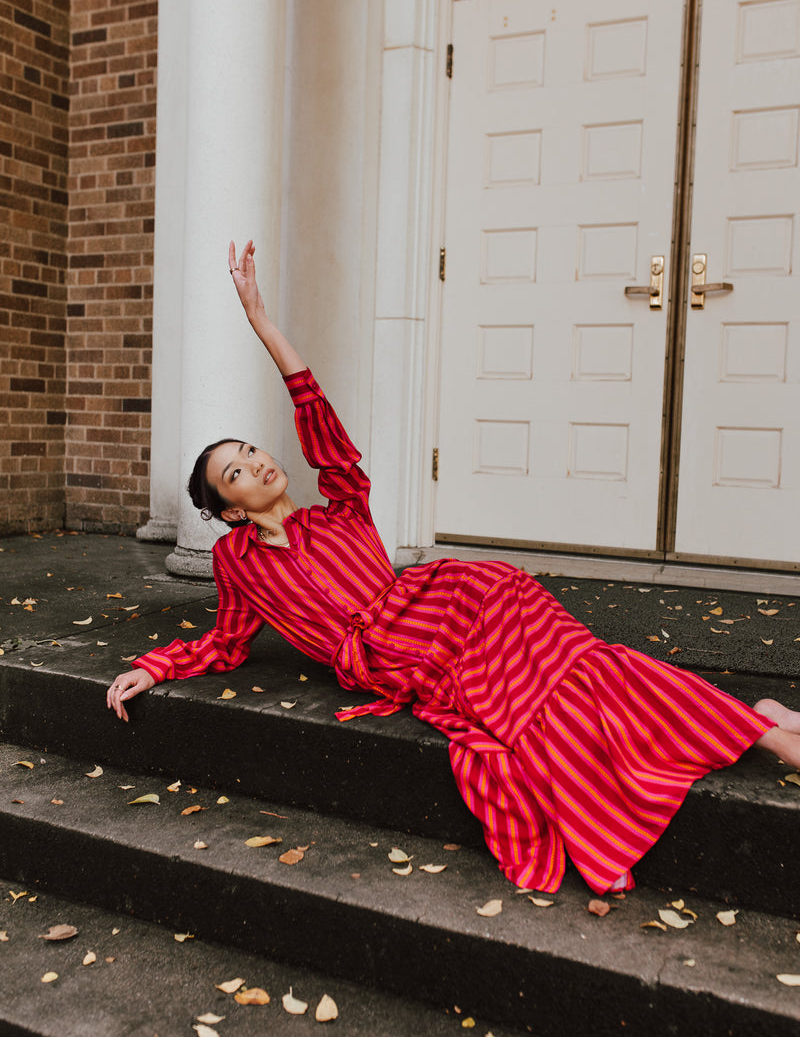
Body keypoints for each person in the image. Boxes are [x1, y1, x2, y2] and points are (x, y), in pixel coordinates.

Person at [107, 239, 800, 897]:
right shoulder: (239, 561)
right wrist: (157, 667)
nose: (257, 461)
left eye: (251, 449)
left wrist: (262, 323)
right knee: (537, 709)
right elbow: (226, 643)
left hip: (463, 603)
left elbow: (317, 416)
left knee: (585, 667)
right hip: (409, 656)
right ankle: (756, 721)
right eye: (237, 470)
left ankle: (762, 728)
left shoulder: (341, 510)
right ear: (230, 511)